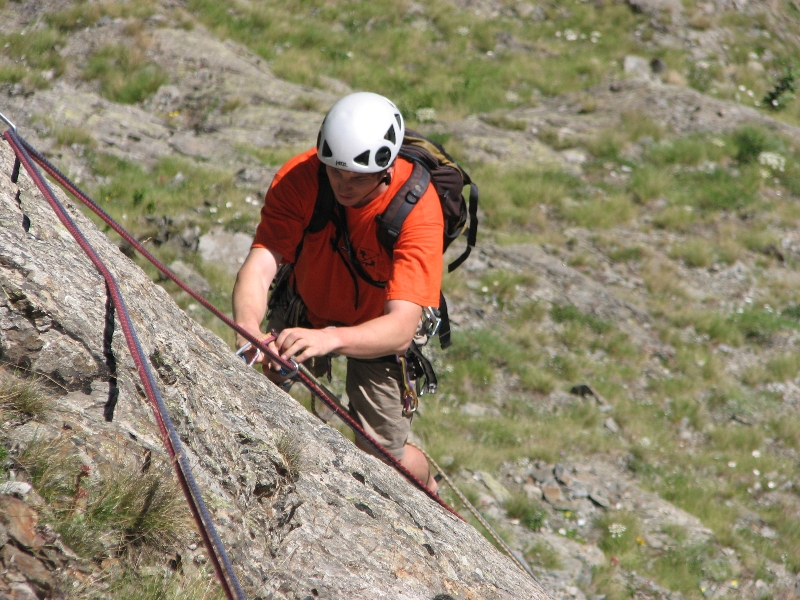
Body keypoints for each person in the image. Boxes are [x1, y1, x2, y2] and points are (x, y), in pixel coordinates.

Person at [232, 92, 443, 493]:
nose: (344, 186)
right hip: (307, 301)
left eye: (358, 178)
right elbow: (261, 263)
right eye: (336, 172)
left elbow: (401, 328)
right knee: (266, 383)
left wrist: (329, 339)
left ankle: (428, 486)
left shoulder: (417, 208)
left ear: (386, 169)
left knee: (384, 457)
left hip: (377, 329)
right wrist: (248, 328)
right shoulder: (301, 178)